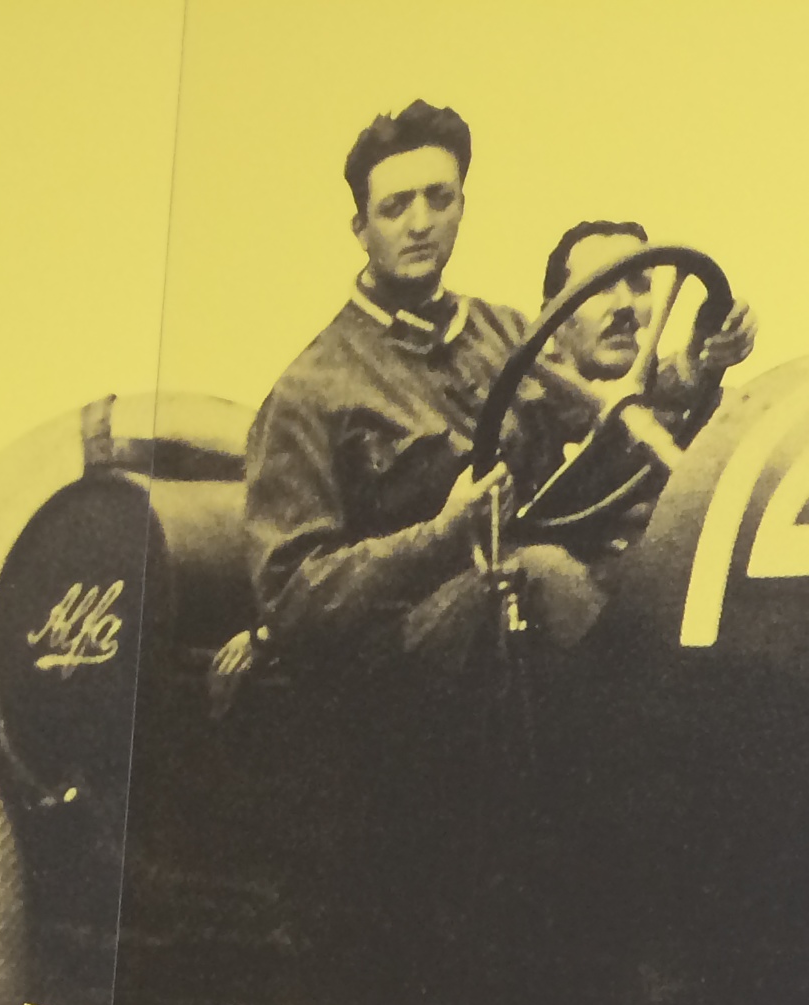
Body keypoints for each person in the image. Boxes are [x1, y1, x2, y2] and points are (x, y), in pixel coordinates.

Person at [242, 101, 603, 666]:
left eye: (439, 199)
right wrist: (442, 535)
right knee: (539, 574)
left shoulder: (506, 333)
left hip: (524, 621)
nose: (420, 224)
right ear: (361, 229)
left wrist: (699, 364)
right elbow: (291, 599)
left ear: (462, 206)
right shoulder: (311, 389)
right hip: (395, 664)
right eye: (394, 207)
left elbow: (606, 419)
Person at [512, 218, 758, 557]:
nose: (625, 305)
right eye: (600, 287)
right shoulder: (525, 422)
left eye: (640, 286)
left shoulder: (686, 404)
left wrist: (700, 356)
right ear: (552, 318)